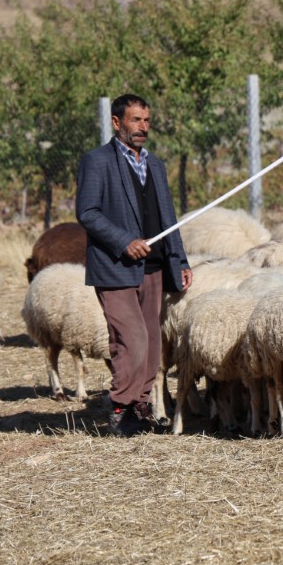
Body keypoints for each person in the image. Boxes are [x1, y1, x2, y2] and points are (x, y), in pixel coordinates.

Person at [76, 93, 193, 437]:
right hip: (115, 265)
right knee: (131, 339)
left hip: (154, 266)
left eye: (146, 121)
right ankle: (120, 408)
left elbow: (167, 217)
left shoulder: (154, 164)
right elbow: (87, 212)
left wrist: (179, 259)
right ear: (117, 122)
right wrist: (123, 241)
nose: (142, 127)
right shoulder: (97, 161)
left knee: (152, 343)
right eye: (135, 120)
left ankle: (139, 409)